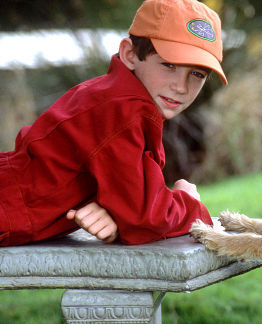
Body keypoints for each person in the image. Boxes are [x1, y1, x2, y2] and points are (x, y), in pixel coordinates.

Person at [0, 0, 227, 246]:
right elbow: (148, 217)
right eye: (168, 65)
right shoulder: (123, 111)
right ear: (130, 54)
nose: (181, 87)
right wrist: (189, 203)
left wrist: (115, 213)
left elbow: (134, 207)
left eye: (197, 74)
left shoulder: (115, 97)